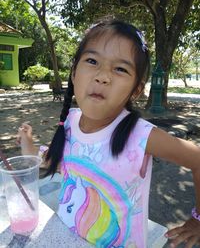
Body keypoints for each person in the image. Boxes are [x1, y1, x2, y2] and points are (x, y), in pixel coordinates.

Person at [17, 20, 200, 248]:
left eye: (120, 69)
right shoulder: (71, 120)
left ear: (136, 90)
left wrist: (197, 220)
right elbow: (62, 164)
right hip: (66, 236)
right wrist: (29, 147)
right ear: (74, 74)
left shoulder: (142, 136)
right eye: (92, 61)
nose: (103, 76)